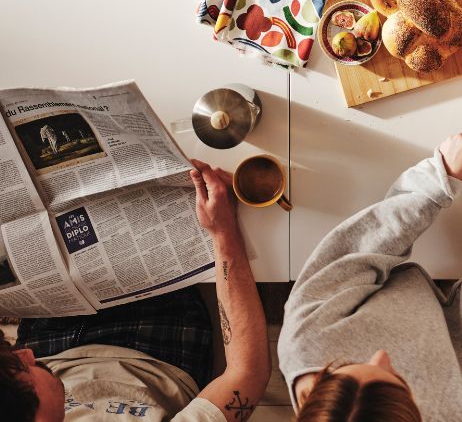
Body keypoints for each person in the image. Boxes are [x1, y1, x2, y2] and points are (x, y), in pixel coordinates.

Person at [277, 131, 462, 421]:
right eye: (399, 380)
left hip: (397, 273)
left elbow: (363, 244)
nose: (382, 356)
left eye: (343, 366)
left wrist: (441, 181)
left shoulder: (305, 337)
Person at [0, 161, 269, 422]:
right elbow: (247, 374)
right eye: (21, 372)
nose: (24, 354)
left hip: (51, 341)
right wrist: (224, 233)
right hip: (155, 351)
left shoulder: (30, 359)